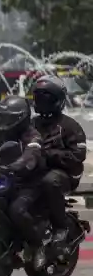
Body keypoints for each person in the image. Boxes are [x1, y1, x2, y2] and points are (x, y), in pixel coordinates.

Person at [0, 95, 50, 269]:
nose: (3, 122)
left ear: (21, 119)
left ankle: (37, 245)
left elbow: (30, 156)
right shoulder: (1, 135)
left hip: (30, 183)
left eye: (7, 118)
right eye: (1, 117)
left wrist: (14, 166)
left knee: (17, 210)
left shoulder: (32, 136)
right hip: (8, 179)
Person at [31, 75, 87, 243]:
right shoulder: (32, 124)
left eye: (46, 98)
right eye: (39, 98)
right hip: (37, 169)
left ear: (57, 100)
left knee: (50, 182)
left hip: (65, 174)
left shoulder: (70, 126)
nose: (42, 102)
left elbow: (77, 156)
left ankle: (61, 226)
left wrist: (49, 154)